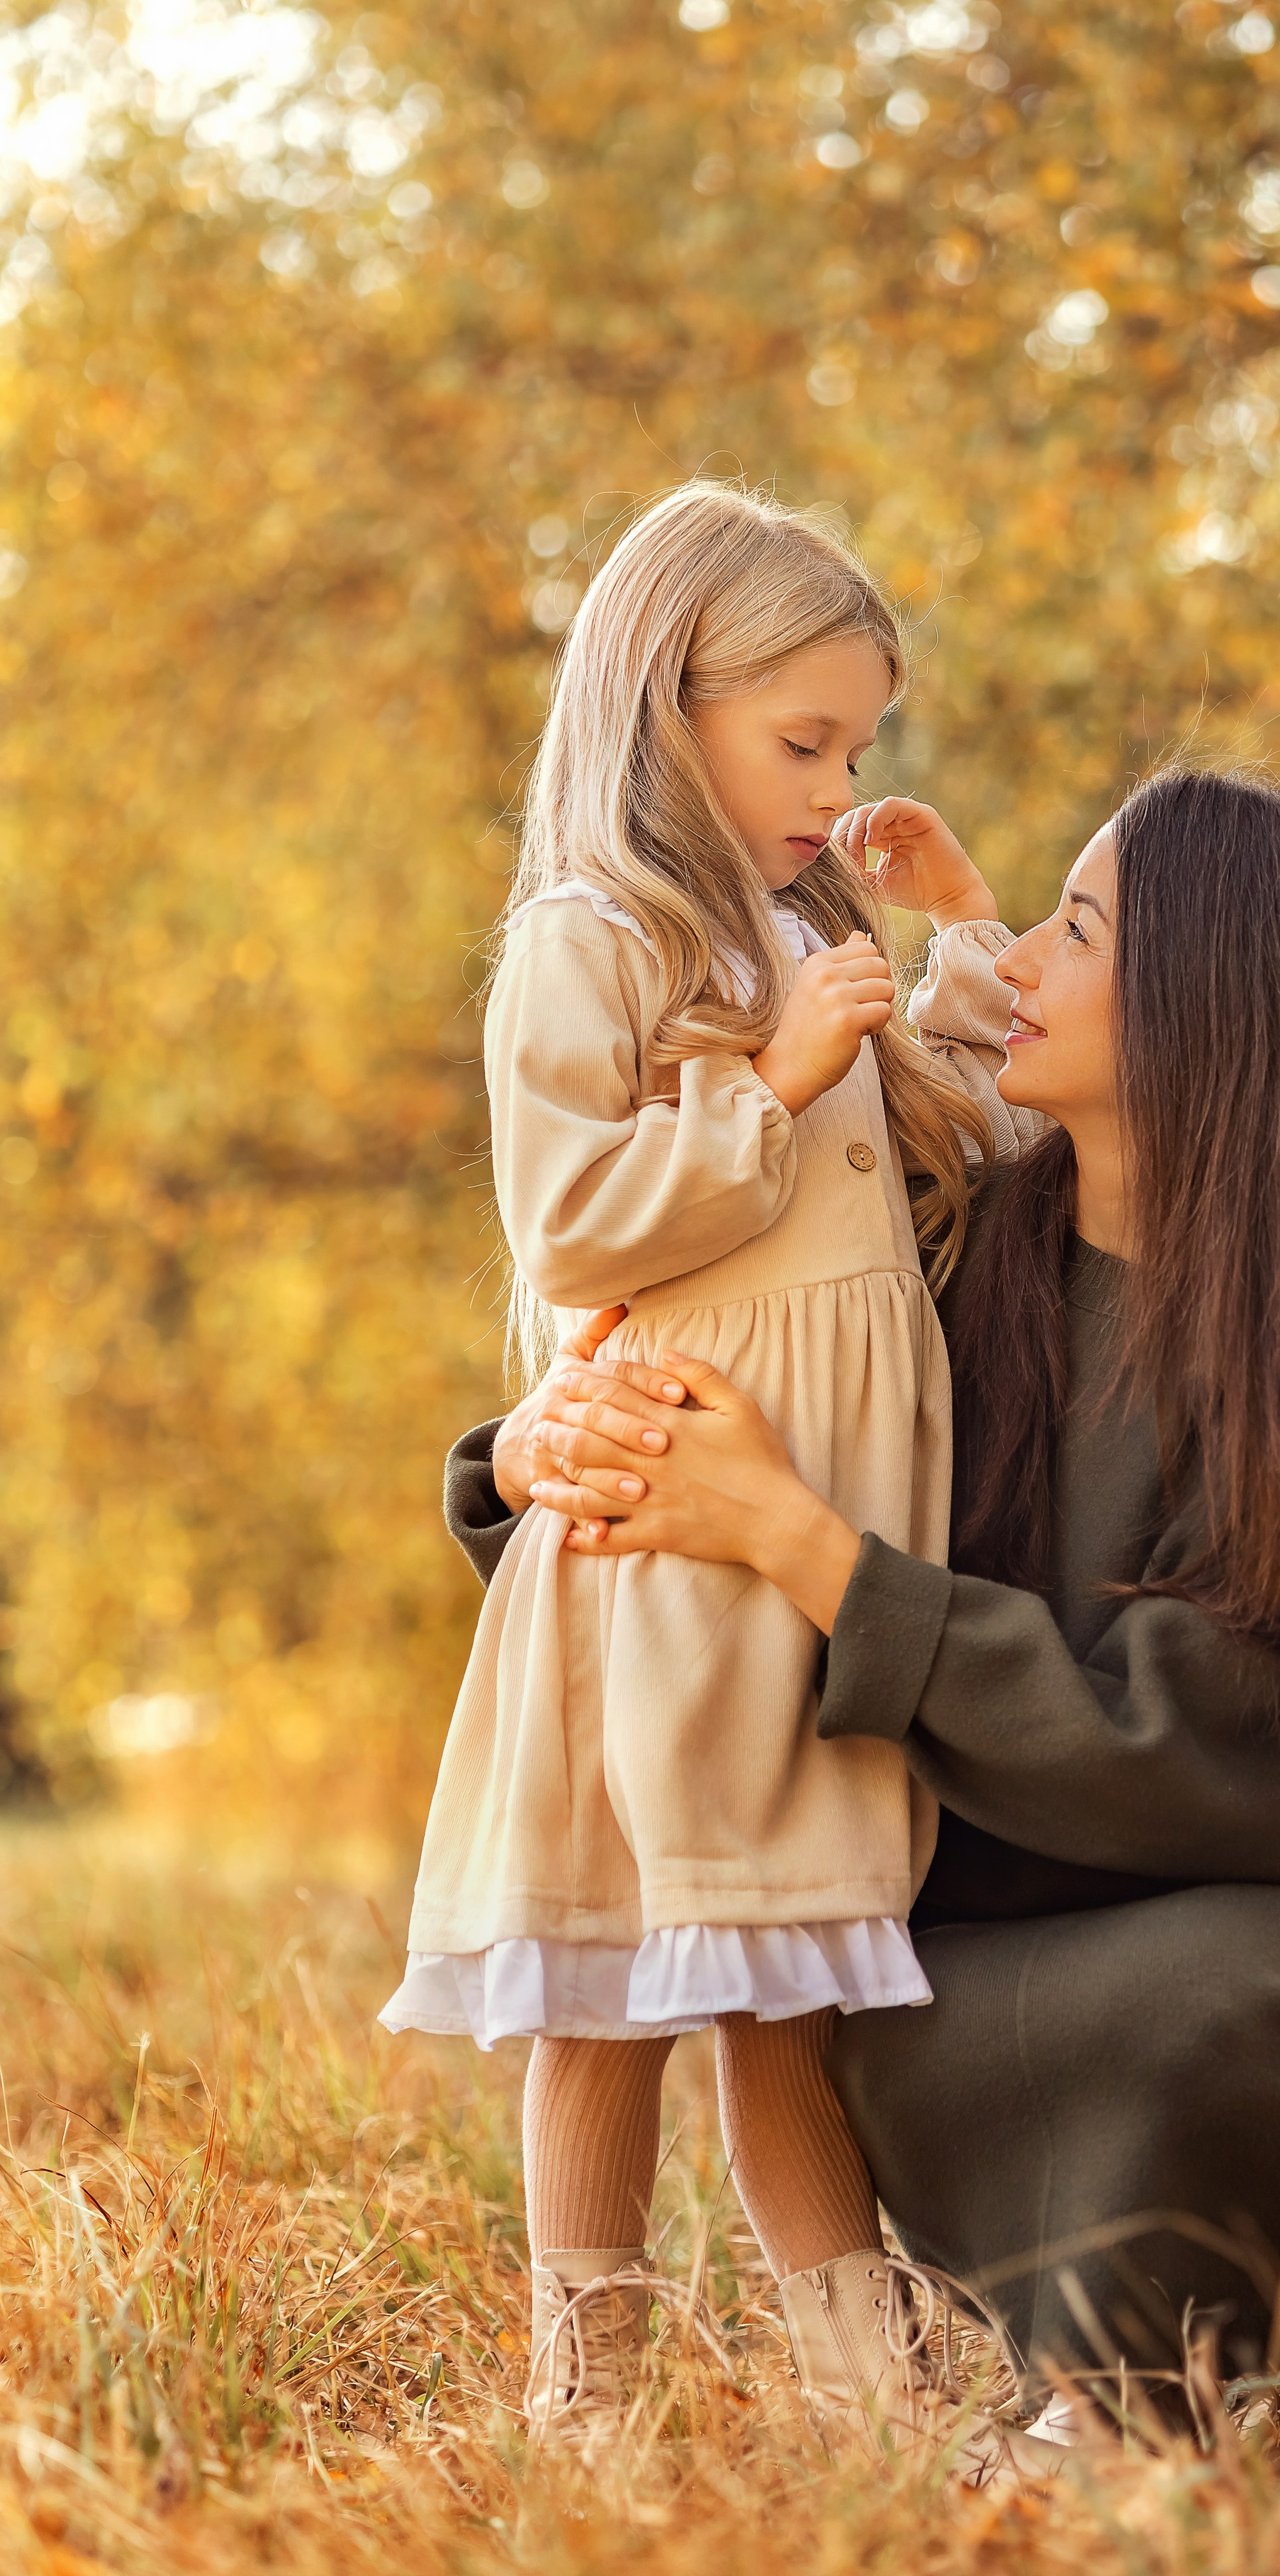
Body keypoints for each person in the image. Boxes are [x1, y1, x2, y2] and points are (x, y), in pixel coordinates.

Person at [448, 769, 1280, 2442]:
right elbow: (743, 1381)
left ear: (1214, 1003)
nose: (1014, 955)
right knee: (874, 2027)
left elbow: (1208, 1746)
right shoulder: (961, 1256)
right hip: (1014, 1924)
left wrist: (807, 1548)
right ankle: (1125, 2364)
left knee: (1189, 2010)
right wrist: (532, 1457)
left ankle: (1279, 2350)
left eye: (1076, 926)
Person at [380, 483, 1050, 2476]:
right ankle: (589, 2373)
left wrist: (953, 920)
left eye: (860, 746)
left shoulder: (807, 929)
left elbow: (977, 1130)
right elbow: (577, 1225)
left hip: (816, 1527)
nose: (836, 785)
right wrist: (764, 1086)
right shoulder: (588, 947)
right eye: (804, 744)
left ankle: (870, 2370)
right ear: (668, 703)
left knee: (785, 1969)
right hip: (673, 1522)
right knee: (610, 1972)